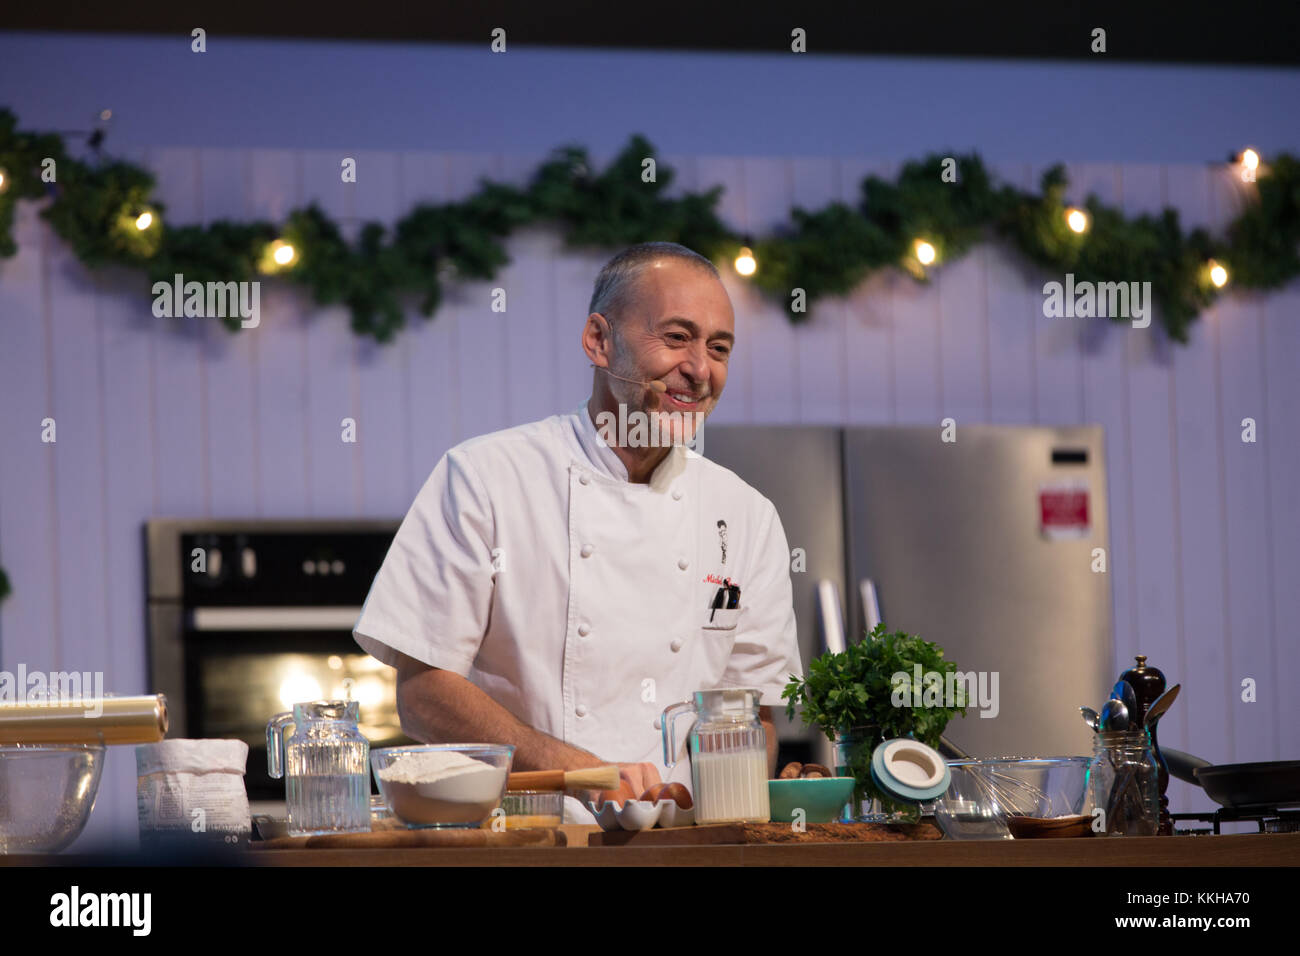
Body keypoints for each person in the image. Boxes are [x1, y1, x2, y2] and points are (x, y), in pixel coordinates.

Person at [352, 241, 803, 823]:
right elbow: (423, 694)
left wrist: (719, 810)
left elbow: (753, 712)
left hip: (682, 849)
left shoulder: (745, 514)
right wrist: (582, 773)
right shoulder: (487, 477)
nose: (699, 368)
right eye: (676, 337)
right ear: (599, 340)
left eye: (719, 348)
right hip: (527, 843)